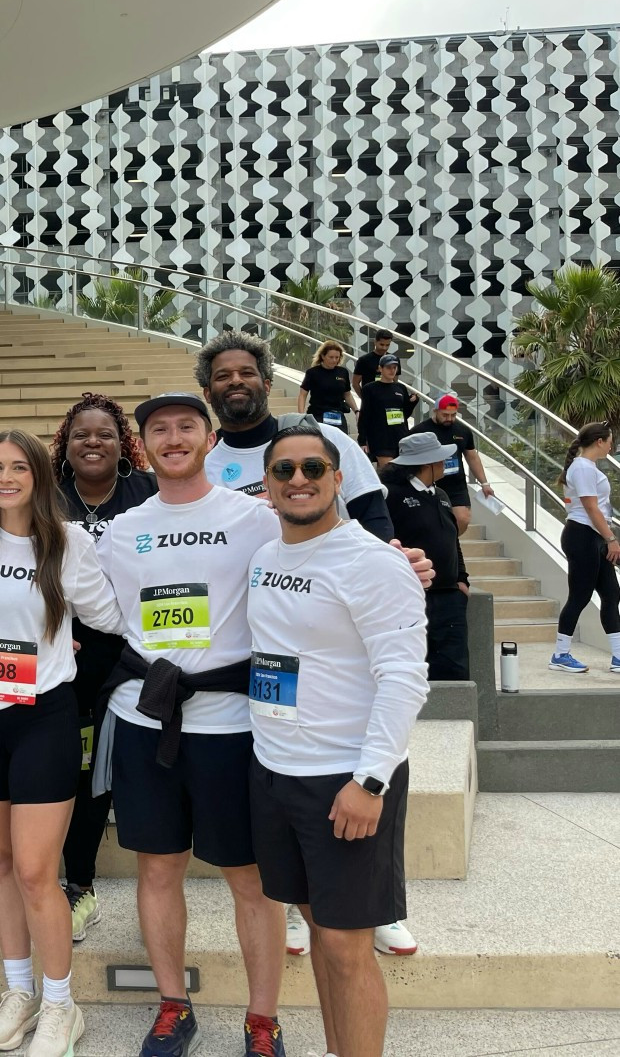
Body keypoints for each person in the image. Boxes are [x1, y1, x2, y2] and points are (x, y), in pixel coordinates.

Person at [91, 393, 288, 1057]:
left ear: (208, 438)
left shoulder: (254, 518)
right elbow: (99, 610)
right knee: (156, 867)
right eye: (158, 430)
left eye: (186, 426)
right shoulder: (123, 529)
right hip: (147, 720)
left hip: (231, 724)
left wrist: (401, 561)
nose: (173, 438)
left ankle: (263, 1020)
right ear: (142, 446)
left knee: (250, 877)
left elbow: (317, 563)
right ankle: (173, 1004)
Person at [247, 422, 429, 1057]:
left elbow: (405, 678)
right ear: (266, 485)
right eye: (285, 471)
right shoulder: (266, 556)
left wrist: (370, 780)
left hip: (345, 778)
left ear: (338, 479)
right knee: (321, 931)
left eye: (312, 470)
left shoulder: (374, 561)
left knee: (349, 945)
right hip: (274, 769)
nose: (299, 480)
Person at [0, 429, 122, 1057]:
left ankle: (59, 1005)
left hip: (43, 716)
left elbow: (108, 614)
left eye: (20, 467)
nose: (6, 477)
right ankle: (18, 993)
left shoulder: (67, 540)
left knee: (34, 871)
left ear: (39, 476)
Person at [49, 393, 157, 941]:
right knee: (72, 769)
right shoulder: (47, 498)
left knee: (107, 773)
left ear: (124, 444)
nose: (92, 442)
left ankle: (118, 888)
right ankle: (68, 882)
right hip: (60, 658)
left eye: (104, 434)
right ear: (65, 446)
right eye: (81, 435)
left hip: (129, 659)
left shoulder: (148, 494)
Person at [199, 331, 393, 538]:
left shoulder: (326, 438)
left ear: (266, 386)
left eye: (247, 373)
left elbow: (374, 518)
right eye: (223, 376)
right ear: (208, 394)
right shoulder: (204, 470)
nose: (235, 381)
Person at [382, 433, 470, 682]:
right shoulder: (391, 495)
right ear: (427, 463)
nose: (445, 463)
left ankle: (457, 720)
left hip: (450, 597)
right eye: (440, 459)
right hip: (411, 597)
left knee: (454, 670)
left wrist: (462, 578)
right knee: (411, 669)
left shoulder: (441, 495)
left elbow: (453, 540)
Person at [551, 422, 620, 674]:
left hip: (593, 537)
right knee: (579, 596)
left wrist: (604, 538)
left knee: (612, 593)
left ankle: (619, 656)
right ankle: (560, 653)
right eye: (610, 440)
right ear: (599, 441)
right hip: (582, 536)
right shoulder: (581, 467)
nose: (612, 444)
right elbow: (591, 508)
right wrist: (611, 538)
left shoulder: (586, 467)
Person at [409, 394, 495, 535]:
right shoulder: (419, 431)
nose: (449, 419)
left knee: (463, 518)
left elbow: (472, 457)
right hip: (428, 483)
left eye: (453, 415)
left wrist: (484, 483)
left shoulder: (463, 431)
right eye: (445, 415)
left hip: (456, 484)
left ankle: (451, 541)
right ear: (435, 411)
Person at [358, 355, 422, 466]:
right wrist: (362, 439)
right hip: (380, 437)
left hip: (400, 435)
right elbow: (365, 414)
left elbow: (405, 414)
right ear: (380, 369)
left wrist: (412, 403)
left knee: (399, 473)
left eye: (394, 367)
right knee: (388, 470)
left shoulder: (400, 388)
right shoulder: (370, 388)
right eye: (388, 367)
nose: (392, 370)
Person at [297, 339, 356, 433]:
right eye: (331, 357)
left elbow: (347, 394)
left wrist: (356, 411)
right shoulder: (312, 373)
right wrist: (301, 415)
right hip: (318, 414)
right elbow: (303, 394)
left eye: (337, 357)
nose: (334, 360)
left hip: (338, 415)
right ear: (323, 356)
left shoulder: (343, 372)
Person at [351, 329, 394, 400]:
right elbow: (355, 383)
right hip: (370, 398)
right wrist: (365, 399)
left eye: (387, 345)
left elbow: (395, 381)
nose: (384, 348)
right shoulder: (364, 360)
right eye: (381, 344)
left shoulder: (393, 360)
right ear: (375, 342)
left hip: (388, 398)